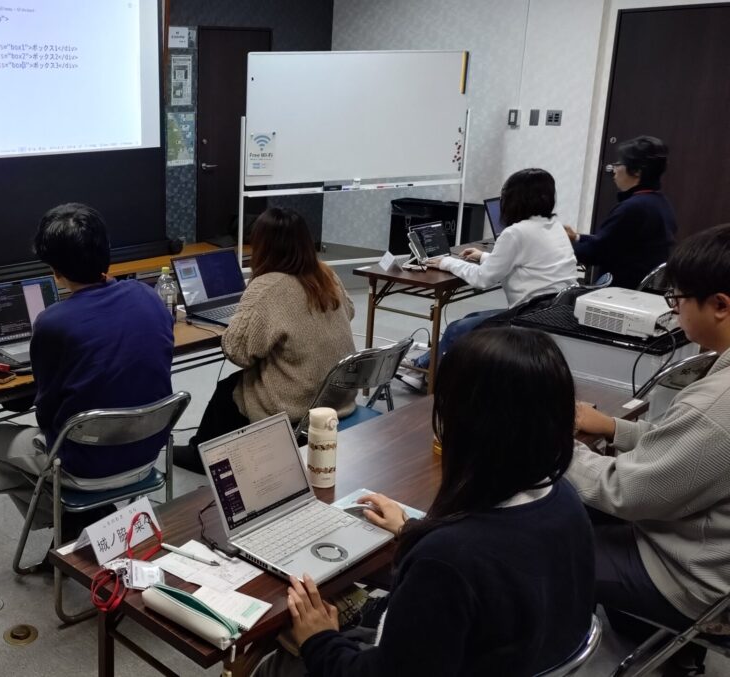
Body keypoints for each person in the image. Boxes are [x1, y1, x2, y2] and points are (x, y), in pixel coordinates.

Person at [256, 328, 595, 677]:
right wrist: (413, 531)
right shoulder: (565, 502)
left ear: (465, 425)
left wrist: (319, 639)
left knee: (273, 663)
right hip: (516, 658)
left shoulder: (446, 562)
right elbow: (495, 556)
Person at [571, 223, 730, 674]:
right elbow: (694, 453)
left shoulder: (717, 404)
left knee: (542, 543)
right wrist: (615, 429)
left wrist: (554, 447)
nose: (673, 309)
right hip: (710, 549)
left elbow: (626, 493)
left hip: (694, 580)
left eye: (677, 299)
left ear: (720, 305)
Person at [0, 203, 174, 539]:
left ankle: (72, 522)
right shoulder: (149, 297)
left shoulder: (53, 323)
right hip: (146, 454)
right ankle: (89, 520)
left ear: (55, 271)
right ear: (106, 250)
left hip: (84, 467)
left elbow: (47, 414)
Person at [175, 208, 355, 473]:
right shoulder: (326, 274)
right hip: (337, 395)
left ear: (262, 245)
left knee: (229, 391)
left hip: (297, 404)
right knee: (237, 386)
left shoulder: (267, 286)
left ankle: (203, 456)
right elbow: (350, 311)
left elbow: (237, 352)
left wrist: (243, 315)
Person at [412, 168, 577, 371]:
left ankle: (427, 374)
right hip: (557, 310)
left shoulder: (515, 233)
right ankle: (424, 366)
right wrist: (483, 256)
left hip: (530, 316)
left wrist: (447, 262)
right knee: (471, 318)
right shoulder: (554, 226)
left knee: (457, 329)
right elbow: (526, 262)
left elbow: (482, 279)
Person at [565, 136, 676, 289]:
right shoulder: (659, 202)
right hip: (643, 287)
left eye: (618, 164)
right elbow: (614, 241)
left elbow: (596, 253)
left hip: (621, 289)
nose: (614, 170)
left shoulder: (632, 208)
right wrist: (577, 238)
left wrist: (557, 246)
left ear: (637, 171)